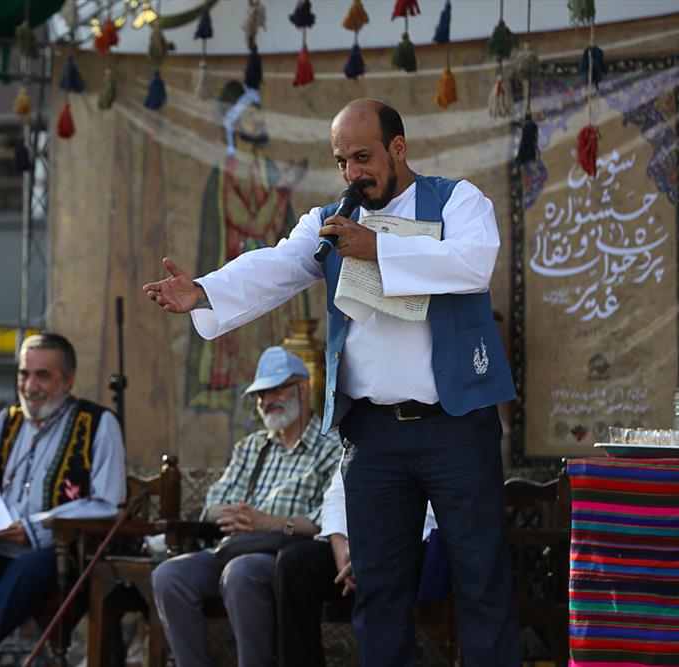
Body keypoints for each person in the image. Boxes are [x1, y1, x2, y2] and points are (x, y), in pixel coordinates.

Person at [144, 98, 520, 666]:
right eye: (342, 161)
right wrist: (202, 291)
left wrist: (379, 248)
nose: (351, 173)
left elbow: (473, 263)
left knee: (482, 583)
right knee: (379, 591)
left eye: (362, 158)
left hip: (456, 427)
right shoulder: (331, 222)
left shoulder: (457, 200)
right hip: (373, 436)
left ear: (398, 148)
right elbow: (275, 266)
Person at [0, 333, 126, 667]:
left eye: (43, 375)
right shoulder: (7, 422)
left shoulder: (97, 423)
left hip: (61, 556)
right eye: (24, 374)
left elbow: (109, 503)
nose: (30, 386)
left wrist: (36, 529)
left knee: (29, 566)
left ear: (68, 380)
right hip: (0, 550)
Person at [152, 347, 341, 667]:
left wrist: (269, 522)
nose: (267, 400)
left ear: (304, 388)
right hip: (234, 545)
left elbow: (328, 519)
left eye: (276, 390)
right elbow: (213, 503)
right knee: (169, 575)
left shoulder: (331, 447)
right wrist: (232, 515)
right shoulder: (251, 447)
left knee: (241, 573)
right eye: (260, 395)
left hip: (284, 554)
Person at [186, 79, 308, 412]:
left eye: (259, 113)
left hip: (269, 275)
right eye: (251, 115)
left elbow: (276, 226)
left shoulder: (266, 166)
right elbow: (250, 223)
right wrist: (283, 189)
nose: (259, 120)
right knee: (247, 369)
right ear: (236, 123)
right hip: (243, 273)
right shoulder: (230, 171)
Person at [275, 446, 439, 667]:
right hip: (355, 547)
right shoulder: (365, 433)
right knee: (295, 563)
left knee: (382, 568)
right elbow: (337, 495)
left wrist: (373, 550)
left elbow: (433, 513)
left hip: (413, 545)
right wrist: (340, 543)